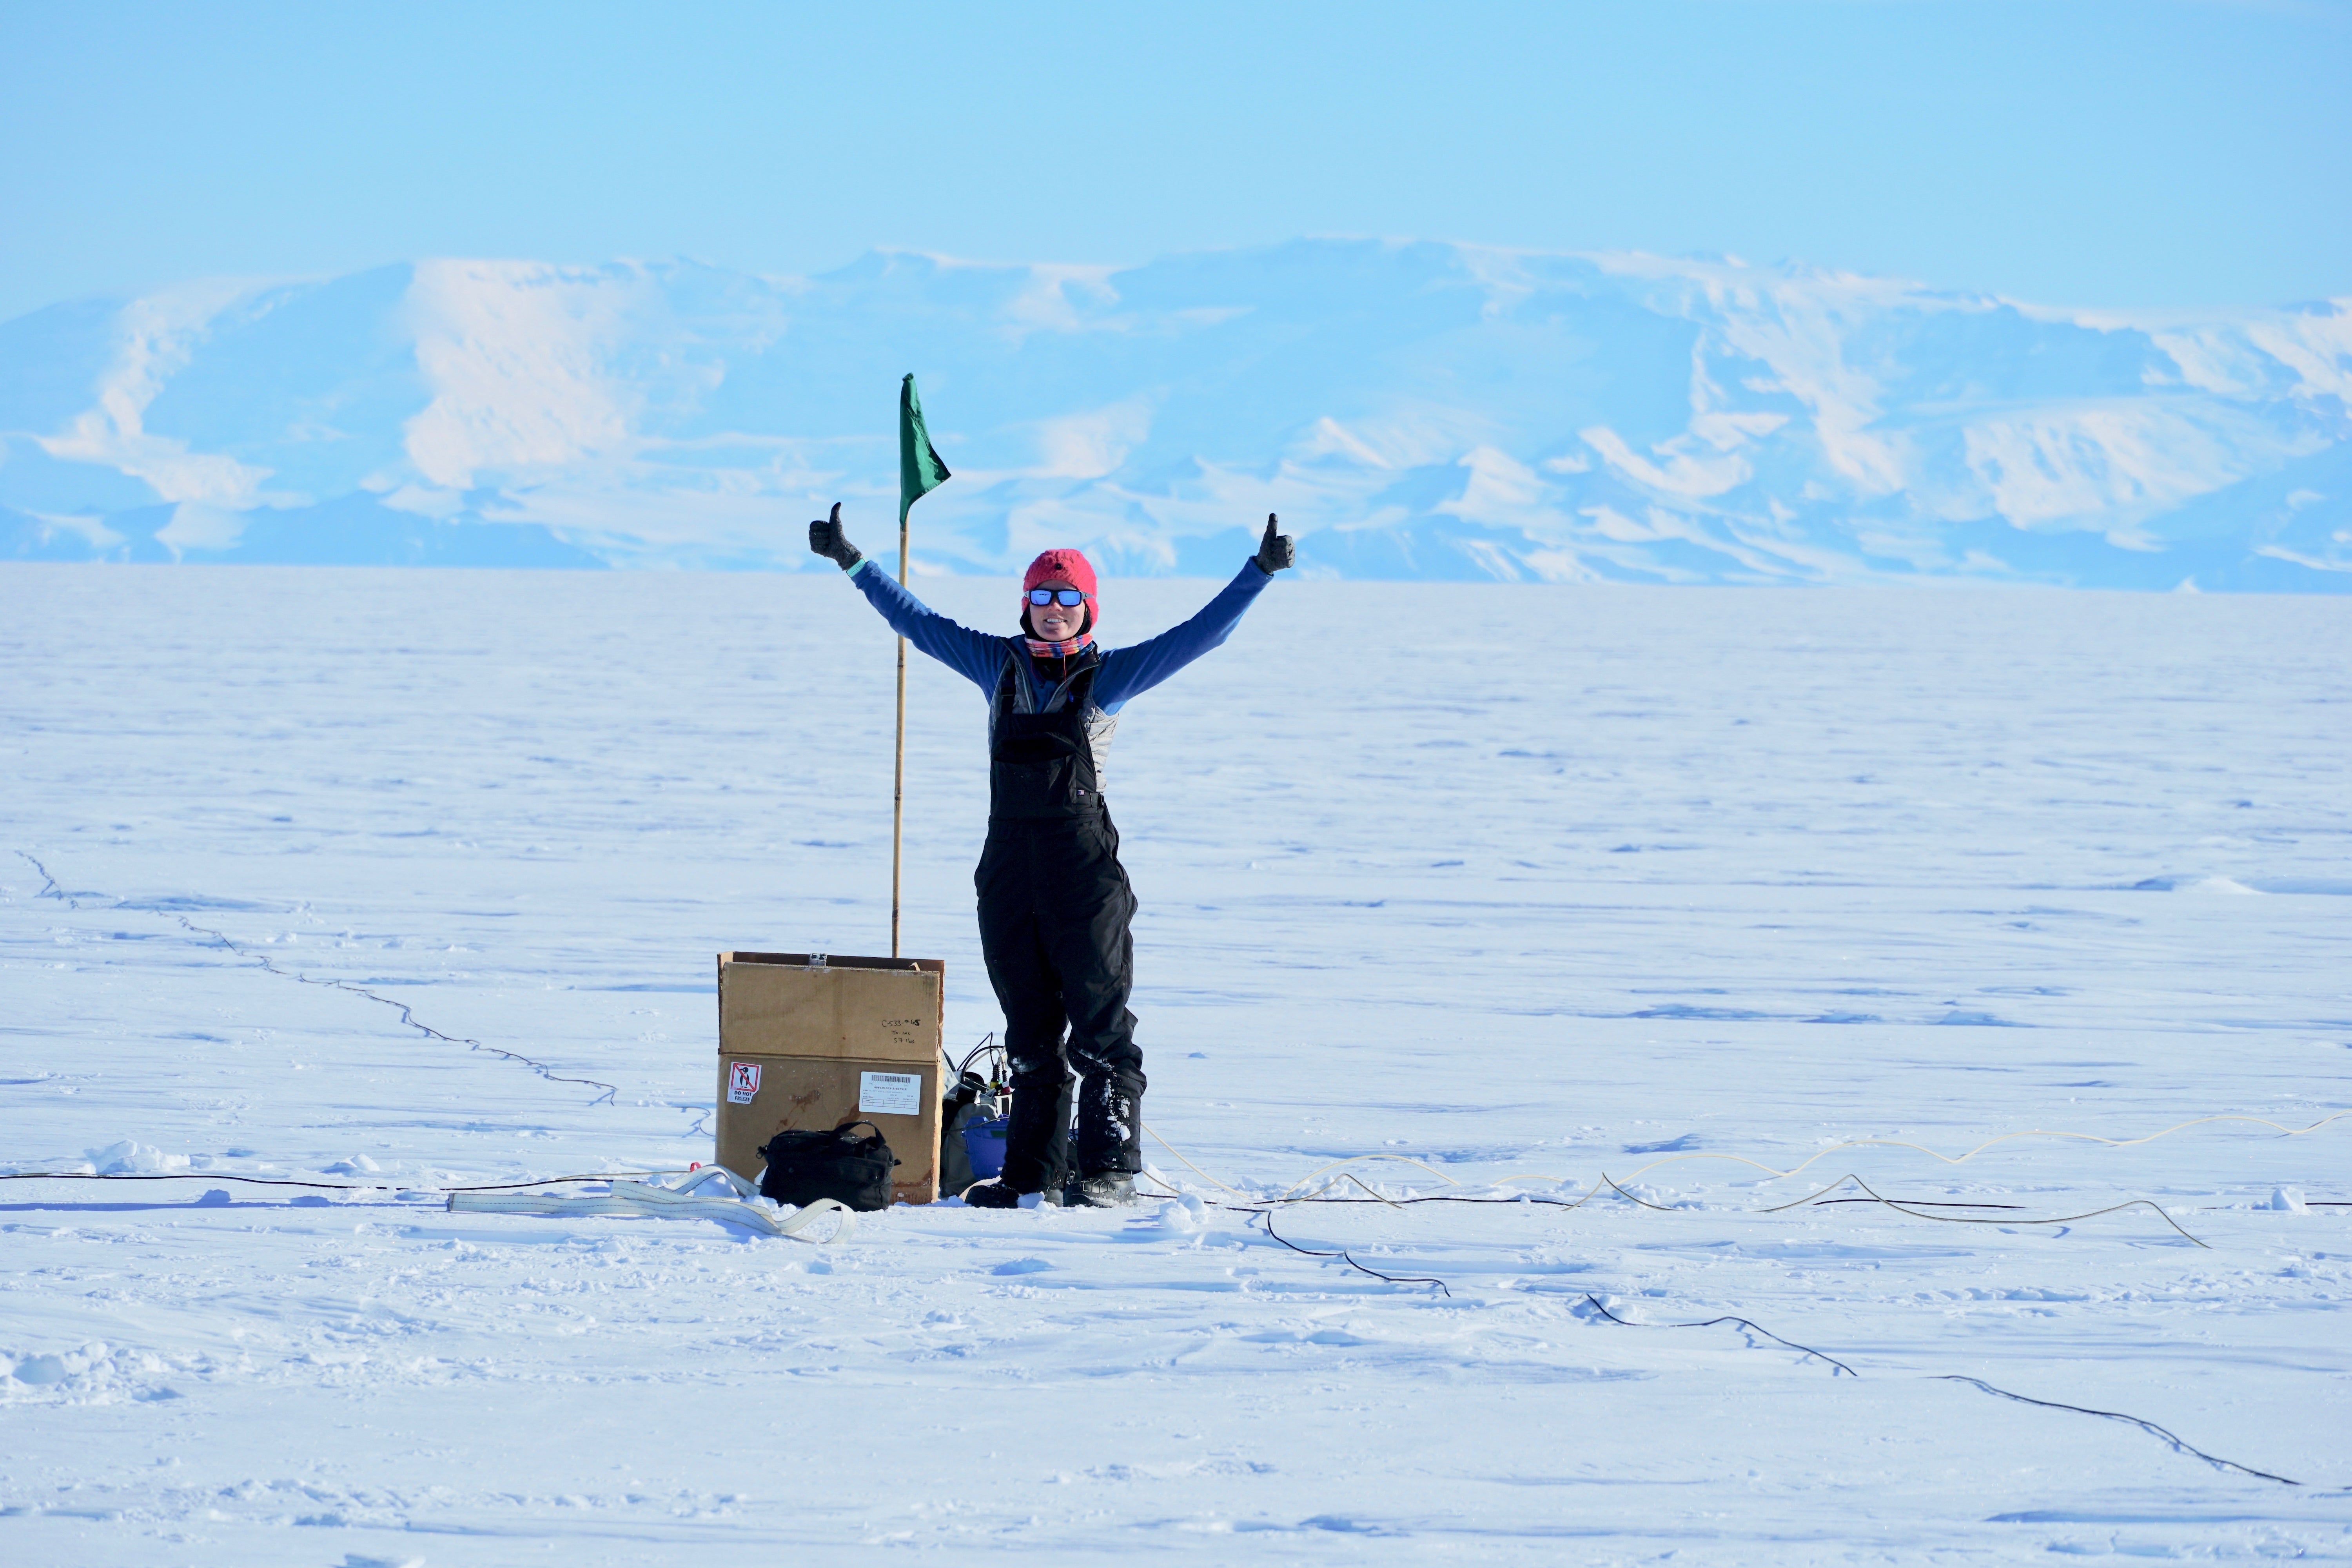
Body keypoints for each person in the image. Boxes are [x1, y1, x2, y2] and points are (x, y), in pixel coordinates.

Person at [808, 508, 1294, 1207]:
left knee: (1100, 1025)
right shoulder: (996, 666)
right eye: (1042, 596)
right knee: (1030, 1031)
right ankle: (1029, 1176)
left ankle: (1107, 1172)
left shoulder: (1109, 677)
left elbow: (1200, 636)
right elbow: (916, 620)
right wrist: (852, 561)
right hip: (1008, 870)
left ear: (1088, 608)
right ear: (1027, 605)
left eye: (1068, 599)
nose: (1054, 611)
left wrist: (1260, 573)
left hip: (1083, 872)